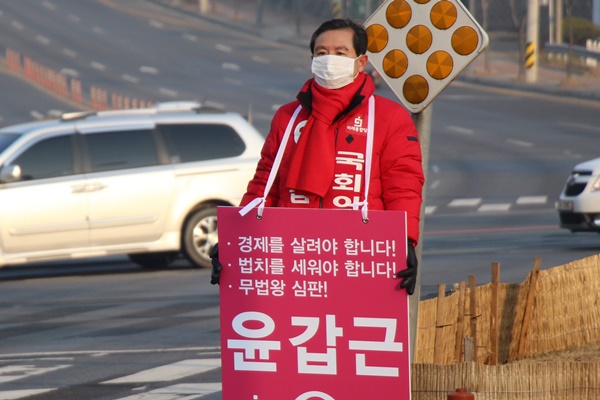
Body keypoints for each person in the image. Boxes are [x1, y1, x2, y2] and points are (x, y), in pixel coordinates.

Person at [211, 18, 424, 294]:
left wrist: (404, 240)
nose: (329, 59)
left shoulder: (388, 117)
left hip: (359, 255)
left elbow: (403, 186)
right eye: (322, 53)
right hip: (296, 256)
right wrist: (232, 239)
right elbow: (265, 185)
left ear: (361, 62)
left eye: (340, 52)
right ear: (312, 59)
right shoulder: (288, 117)